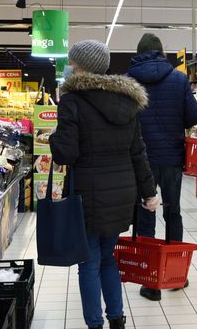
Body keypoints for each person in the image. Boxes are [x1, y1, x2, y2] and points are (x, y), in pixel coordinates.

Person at [50, 40, 160, 329]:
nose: (69, 66)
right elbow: (138, 152)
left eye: (72, 62)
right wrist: (149, 192)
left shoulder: (72, 101)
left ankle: (95, 324)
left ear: (80, 66)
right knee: (108, 258)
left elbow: (65, 154)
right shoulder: (128, 101)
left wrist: (54, 137)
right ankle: (116, 319)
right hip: (122, 193)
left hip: (86, 194)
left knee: (89, 262)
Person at [127, 33, 197, 301]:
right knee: (173, 213)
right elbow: (193, 117)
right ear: (161, 53)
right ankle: (175, 276)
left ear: (138, 53)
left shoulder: (128, 81)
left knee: (145, 216)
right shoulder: (179, 79)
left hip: (141, 160)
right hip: (171, 157)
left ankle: (150, 283)